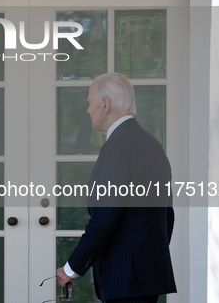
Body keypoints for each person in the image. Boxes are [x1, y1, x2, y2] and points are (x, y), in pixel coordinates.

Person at [56, 73, 177, 303]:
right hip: (148, 277)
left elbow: (104, 218)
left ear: (105, 104)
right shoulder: (153, 145)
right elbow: (166, 214)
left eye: (90, 102)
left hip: (124, 281)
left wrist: (71, 268)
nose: (88, 110)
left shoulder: (117, 147)